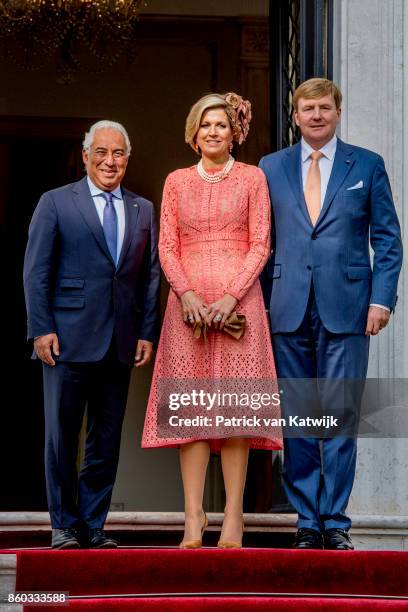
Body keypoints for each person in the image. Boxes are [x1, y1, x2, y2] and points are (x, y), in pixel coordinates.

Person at [259, 78, 403, 550]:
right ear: (295, 116)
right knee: (299, 419)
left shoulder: (366, 164)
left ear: (338, 112)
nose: (316, 116)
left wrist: (381, 300)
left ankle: (335, 521)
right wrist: (257, 304)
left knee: (340, 416)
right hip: (287, 308)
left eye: (325, 107)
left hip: (349, 310)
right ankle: (307, 520)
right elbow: (259, 241)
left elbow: (387, 239)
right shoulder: (271, 167)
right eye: (307, 109)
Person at [142, 92, 281, 549]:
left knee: (236, 414)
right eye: (205, 125)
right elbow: (167, 247)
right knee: (192, 414)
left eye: (221, 124)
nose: (213, 132)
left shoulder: (253, 178)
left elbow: (261, 243)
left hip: (239, 309)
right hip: (188, 314)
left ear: (233, 131)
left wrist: (228, 298)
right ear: (193, 132)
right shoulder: (177, 181)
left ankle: (235, 517)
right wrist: (187, 294)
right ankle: (193, 516)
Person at [23, 120, 160, 549]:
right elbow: (37, 270)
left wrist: (146, 332)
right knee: (61, 436)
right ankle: (63, 525)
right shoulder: (56, 202)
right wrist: (40, 328)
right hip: (66, 339)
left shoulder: (143, 209)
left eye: (118, 153)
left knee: (106, 440)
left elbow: (151, 276)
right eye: (100, 152)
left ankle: (93, 525)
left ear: (128, 158)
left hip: (119, 341)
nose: (109, 161)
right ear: (85, 156)